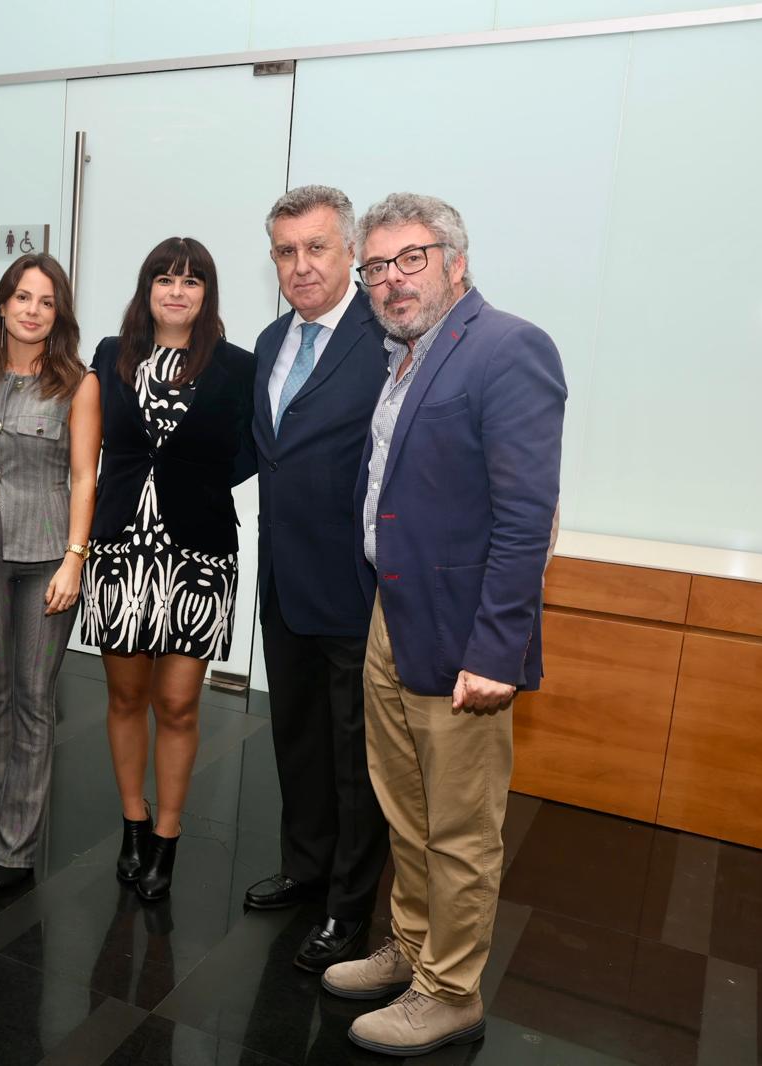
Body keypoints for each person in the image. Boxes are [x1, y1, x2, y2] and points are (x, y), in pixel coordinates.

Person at [322, 193, 565, 1058]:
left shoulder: (507, 349)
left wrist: (498, 648)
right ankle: (416, 947)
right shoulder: (409, 355)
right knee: (406, 806)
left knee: (460, 826)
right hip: (396, 614)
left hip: (464, 633)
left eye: (409, 260)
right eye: (376, 267)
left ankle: (451, 991)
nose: (390, 280)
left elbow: (528, 514)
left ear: (455, 261)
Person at [79, 236, 255, 901]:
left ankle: (168, 837)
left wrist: (196, 483)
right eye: (164, 277)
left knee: (178, 702)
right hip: (121, 550)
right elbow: (91, 450)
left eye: (192, 280)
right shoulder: (111, 355)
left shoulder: (237, 367)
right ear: (146, 287)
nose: (177, 290)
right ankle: (132, 819)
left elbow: (249, 450)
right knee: (126, 696)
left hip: (199, 551)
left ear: (207, 294)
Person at [244, 186, 391, 972]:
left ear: (350, 251)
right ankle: (305, 867)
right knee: (295, 732)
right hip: (283, 582)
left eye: (317, 248)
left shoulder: (387, 337)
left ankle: (347, 905)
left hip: (357, 585)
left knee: (355, 753)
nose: (300, 266)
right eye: (285, 252)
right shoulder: (271, 342)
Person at [0, 253, 100, 890]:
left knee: (35, 700)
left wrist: (74, 559)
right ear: (3, 304)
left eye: (47, 301)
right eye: (23, 297)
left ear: (58, 314)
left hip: (47, 561)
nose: (33, 310)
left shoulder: (78, 383)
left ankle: (17, 845)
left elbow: (86, 477)